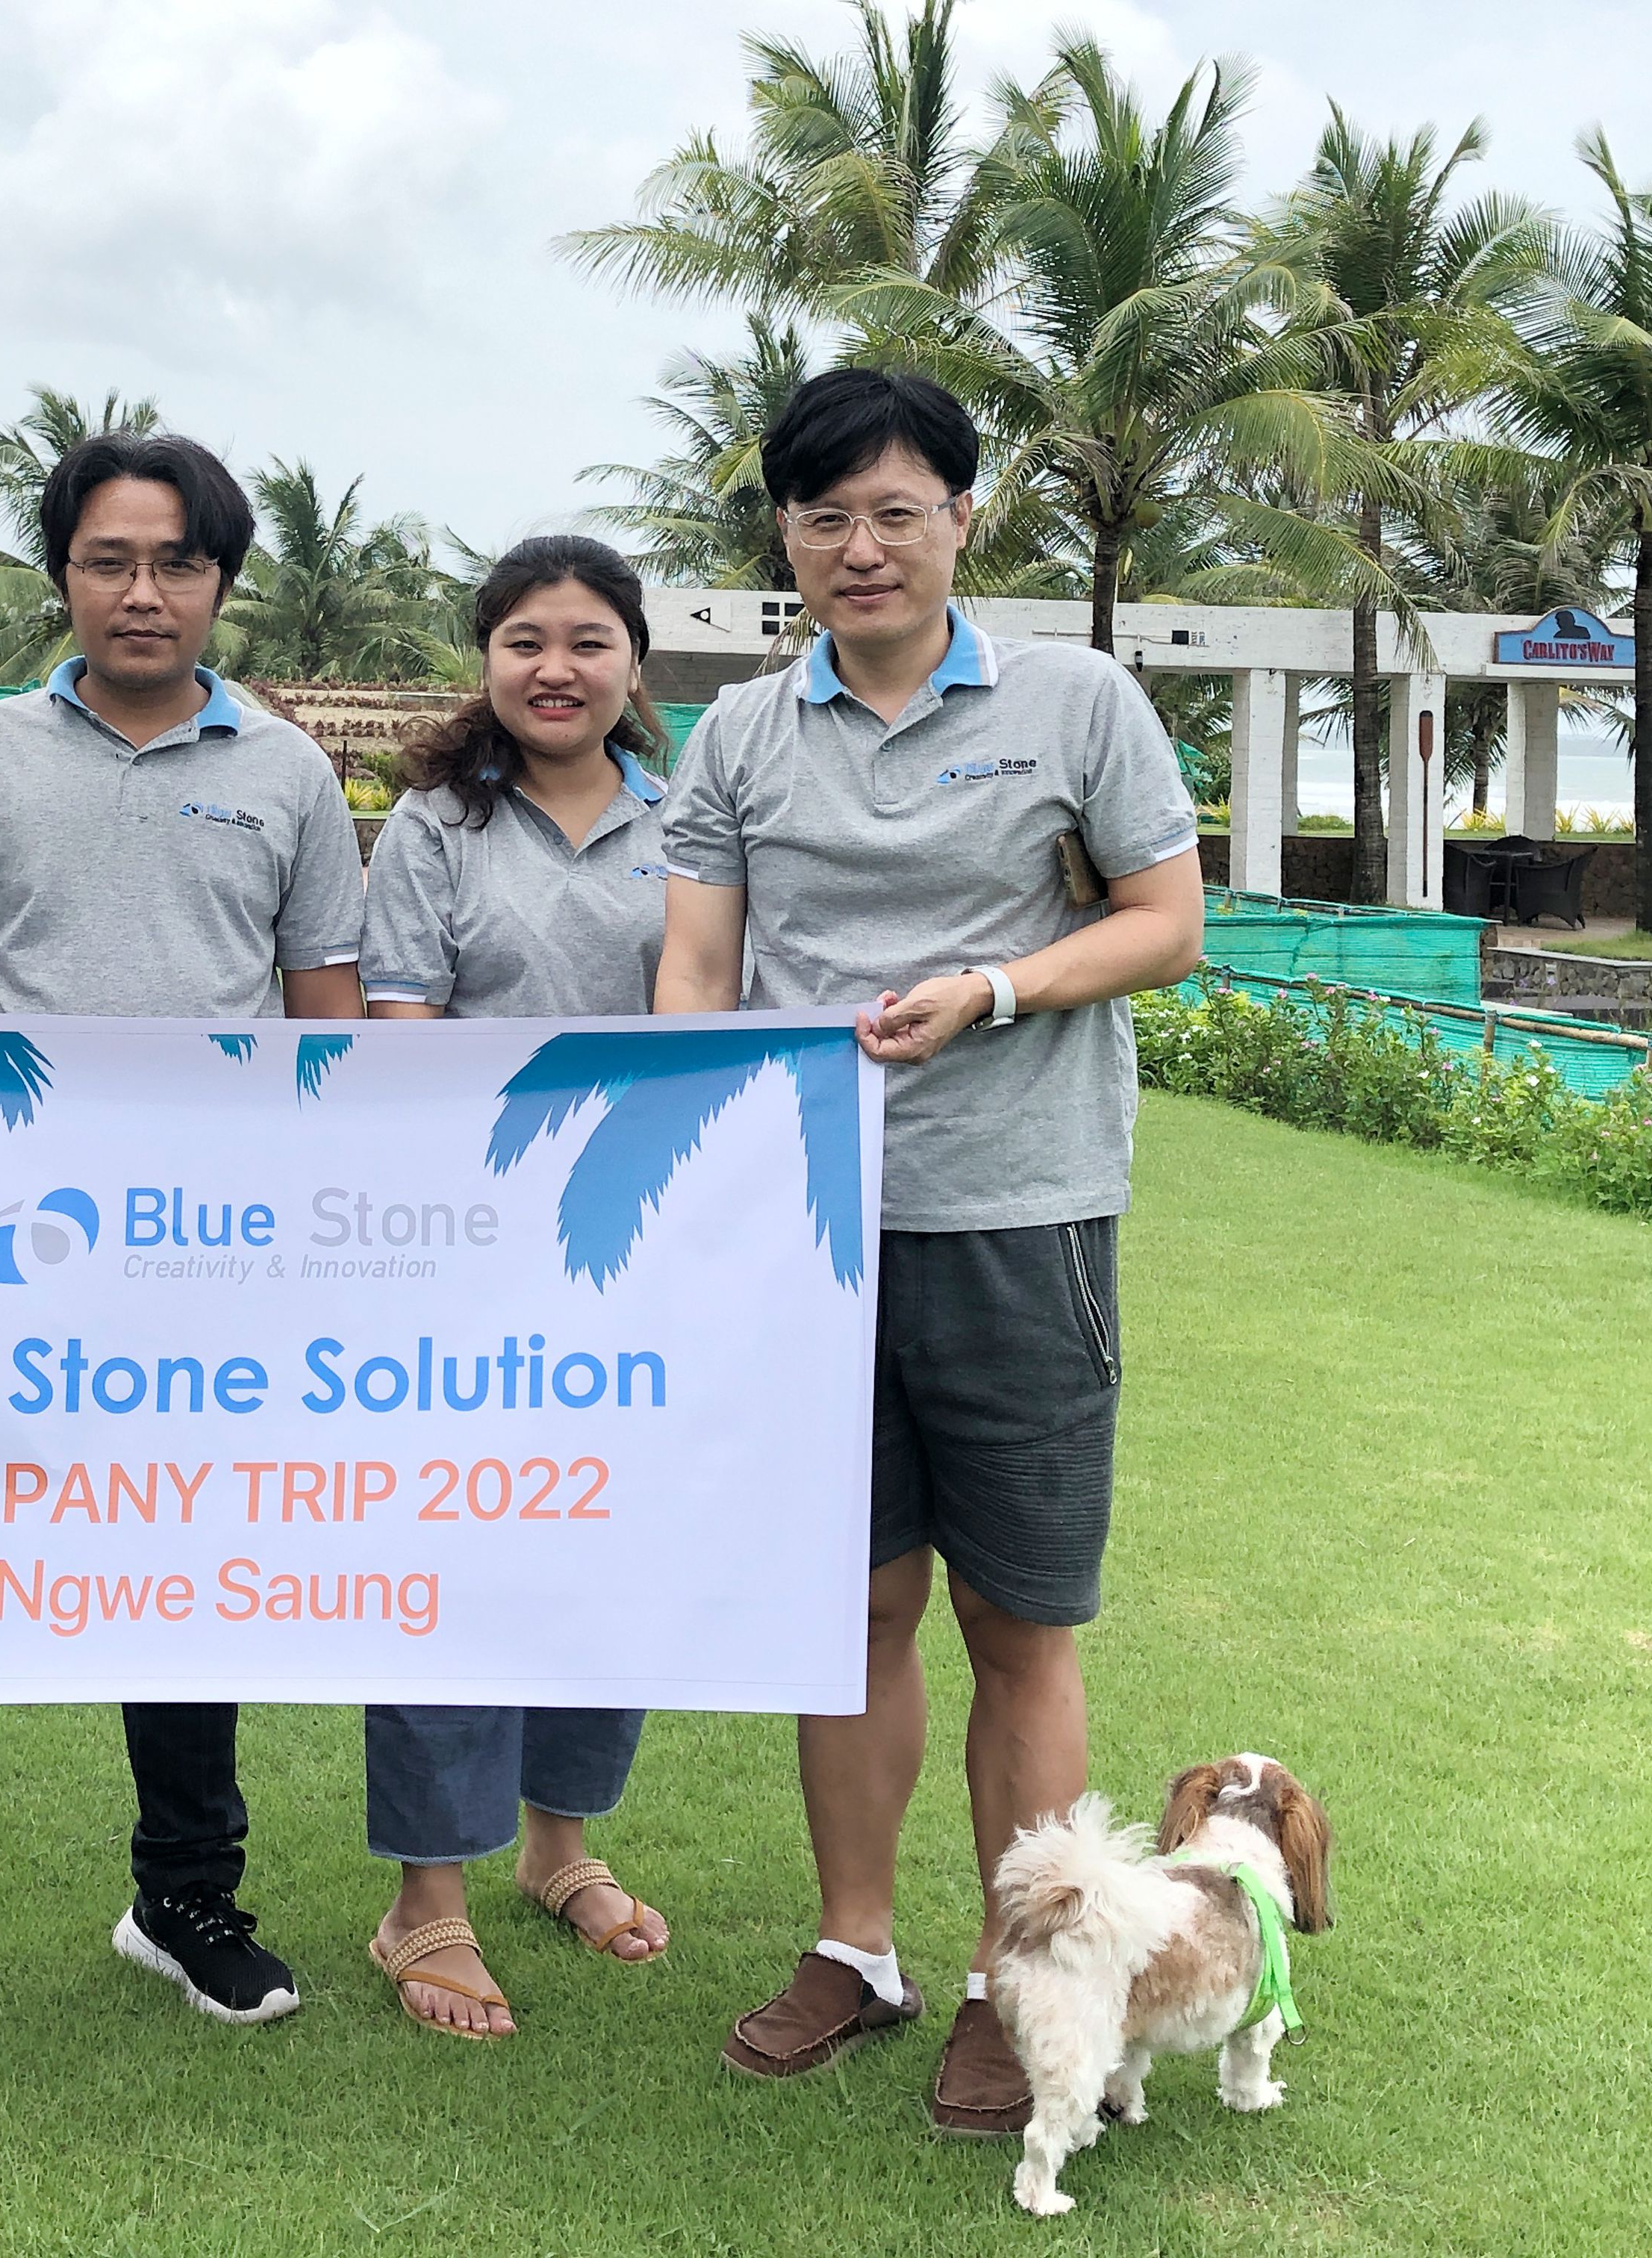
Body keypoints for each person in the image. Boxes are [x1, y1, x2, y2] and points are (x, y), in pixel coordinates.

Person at [652, 368, 1203, 2134]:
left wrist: (998, 987)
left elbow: (1166, 923)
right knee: (851, 1607)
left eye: (898, 512)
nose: (862, 547)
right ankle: (858, 1949)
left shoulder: (1076, 700)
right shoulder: (740, 734)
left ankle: (1013, 1975)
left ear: (964, 518)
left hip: (1020, 1216)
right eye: (825, 518)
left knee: (1014, 1617)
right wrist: (707, 1164)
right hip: (811, 1236)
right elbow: (696, 970)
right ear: (786, 538)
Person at [0, 431, 365, 2045]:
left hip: (204, 1261)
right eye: (110, 560)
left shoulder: (289, 774)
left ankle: (188, 1902)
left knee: (183, 1580)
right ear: (63, 577)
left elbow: (331, 1035)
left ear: (222, 582)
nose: (143, 591)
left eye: (177, 562)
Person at [352, 533, 676, 2040]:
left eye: (589, 641)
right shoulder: (433, 827)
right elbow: (402, 1038)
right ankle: (425, 1900)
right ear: (485, 660)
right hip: (463, 1256)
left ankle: (561, 1848)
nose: (557, 669)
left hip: (644, 1249)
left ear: (634, 663)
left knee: (600, 1543)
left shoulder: (690, 821)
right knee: (449, 1554)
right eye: (526, 641)